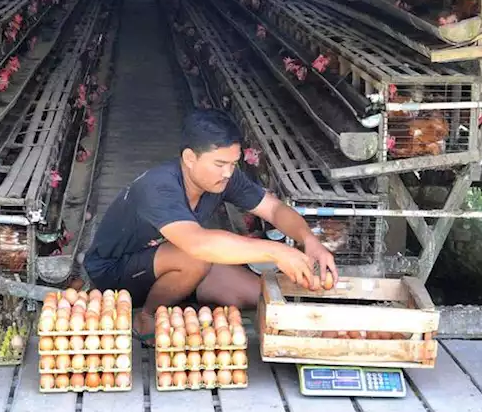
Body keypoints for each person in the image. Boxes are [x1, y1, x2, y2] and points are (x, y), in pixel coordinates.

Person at [83, 109, 336, 330]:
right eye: (219, 164)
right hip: (116, 272)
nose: (228, 173)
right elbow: (197, 244)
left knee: (260, 295)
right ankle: (147, 317)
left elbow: (274, 210)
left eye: (233, 164)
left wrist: (308, 239)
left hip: (171, 259)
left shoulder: (224, 178)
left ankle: (179, 292)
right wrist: (276, 251)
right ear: (190, 158)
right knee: (196, 258)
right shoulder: (158, 187)